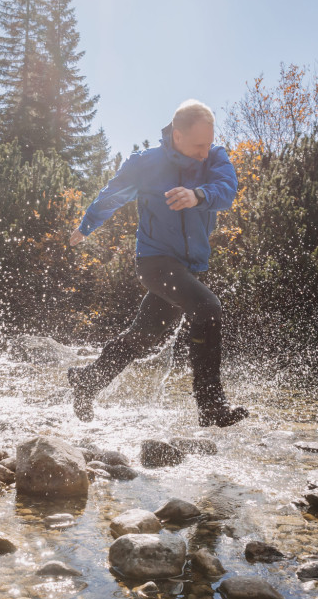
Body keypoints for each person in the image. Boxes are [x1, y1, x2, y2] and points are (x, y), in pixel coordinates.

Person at [67, 99, 249, 428]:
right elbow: (114, 194)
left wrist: (199, 195)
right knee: (207, 307)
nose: (205, 152)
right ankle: (211, 405)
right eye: (198, 145)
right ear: (177, 135)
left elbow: (227, 191)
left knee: (145, 338)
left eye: (208, 143)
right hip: (154, 262)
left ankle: (87, 382)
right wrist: (86, 225)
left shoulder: (214, 158)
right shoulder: (145, 163)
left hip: (187, 267)